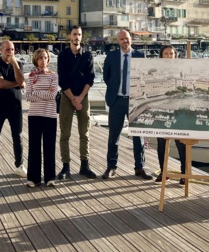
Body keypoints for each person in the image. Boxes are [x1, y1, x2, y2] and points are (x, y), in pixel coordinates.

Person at [102, 29, 153, 180]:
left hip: (135, 101)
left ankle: (140, 167)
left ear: (131, 39)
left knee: (139, 136)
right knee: (114, 136)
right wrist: (114, 89)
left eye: (127, 38)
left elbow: (145, 77)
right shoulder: (111, 56)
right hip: (117, 100)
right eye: (122, 39)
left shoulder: (140, 56)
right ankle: (111, 167)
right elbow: (106, 76)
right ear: (118, 41)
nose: (125, 41)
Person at [0, 40, 27, 182]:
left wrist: (14, 64)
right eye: (7, 49)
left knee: (18, 137)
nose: (10, 52)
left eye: (12, 49)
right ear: (1, 50)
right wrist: (16, 84)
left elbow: (23, 82)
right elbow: (0, 84)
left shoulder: (18, 65)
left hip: (15, 107)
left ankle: (19, 165)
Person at [57, 25, 97, 180]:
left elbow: (90, 78)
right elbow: (62, 80)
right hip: (67, 98)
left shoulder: (87, 55)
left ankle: (84, 165)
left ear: (81, 37)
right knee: (65, 133)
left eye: (79, 35)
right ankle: (65, 166)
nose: (77, 37)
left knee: (84, 133)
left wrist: (80, 98)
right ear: (69, 36)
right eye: (74, 34)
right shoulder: (63, 55)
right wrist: (73, 98)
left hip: (83, 97)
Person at [25, 48, 59, 187]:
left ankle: (50, 177)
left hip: (50, 115)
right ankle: (33, 178)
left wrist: (37, 93)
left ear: (48, 60)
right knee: (34, 146)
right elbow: (27, 96)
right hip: (34, 115)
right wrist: (44, 92)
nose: (43, 60)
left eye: (45, 58)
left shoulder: (54, 76)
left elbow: (53, 95)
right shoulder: (32, 76)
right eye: (40, 58)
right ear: (36, 60)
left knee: (49, 146)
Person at [155, 45, 187, 184]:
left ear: (175, 55)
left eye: (171, 53)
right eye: (166, 53)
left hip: (179, 109)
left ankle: (184, 174)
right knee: (161, 143)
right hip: (162, 109)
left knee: (181, 143)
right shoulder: (157, 71)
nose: (168, 56)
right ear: (161, 56)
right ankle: (163, 172)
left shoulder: (182, 70)